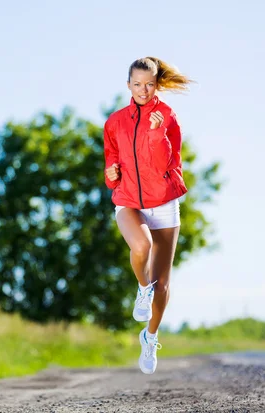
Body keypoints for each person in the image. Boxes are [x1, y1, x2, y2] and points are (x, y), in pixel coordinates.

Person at [103, 56, 193, 374]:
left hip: (164, 202)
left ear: (157, 85)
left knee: (164, 284)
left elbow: (167, 166)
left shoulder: (167, 116)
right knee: (141, 248)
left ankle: (150, 336)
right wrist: (111, 173)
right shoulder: (114, 122)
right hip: (129, 200)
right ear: (128, 85)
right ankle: (142, 288)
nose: (143, 90)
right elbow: (111, 167)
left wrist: (157, 135)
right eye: (137, 84)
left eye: (149, 84)